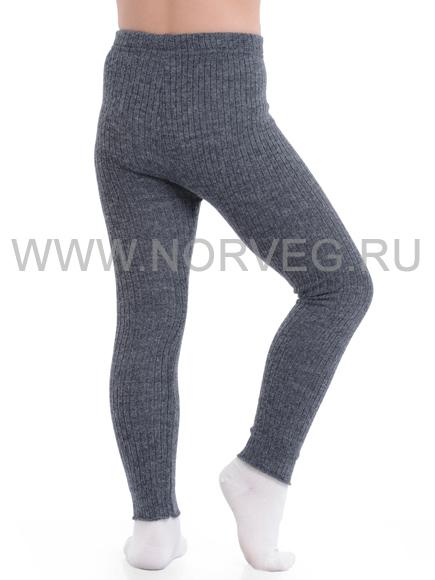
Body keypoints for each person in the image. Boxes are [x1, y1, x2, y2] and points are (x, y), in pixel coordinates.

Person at [94, 0, 374, 572]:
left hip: (128, 97)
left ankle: (153, 527)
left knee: (146, 323)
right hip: (219, 98)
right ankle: (261, 472)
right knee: (339, 286)